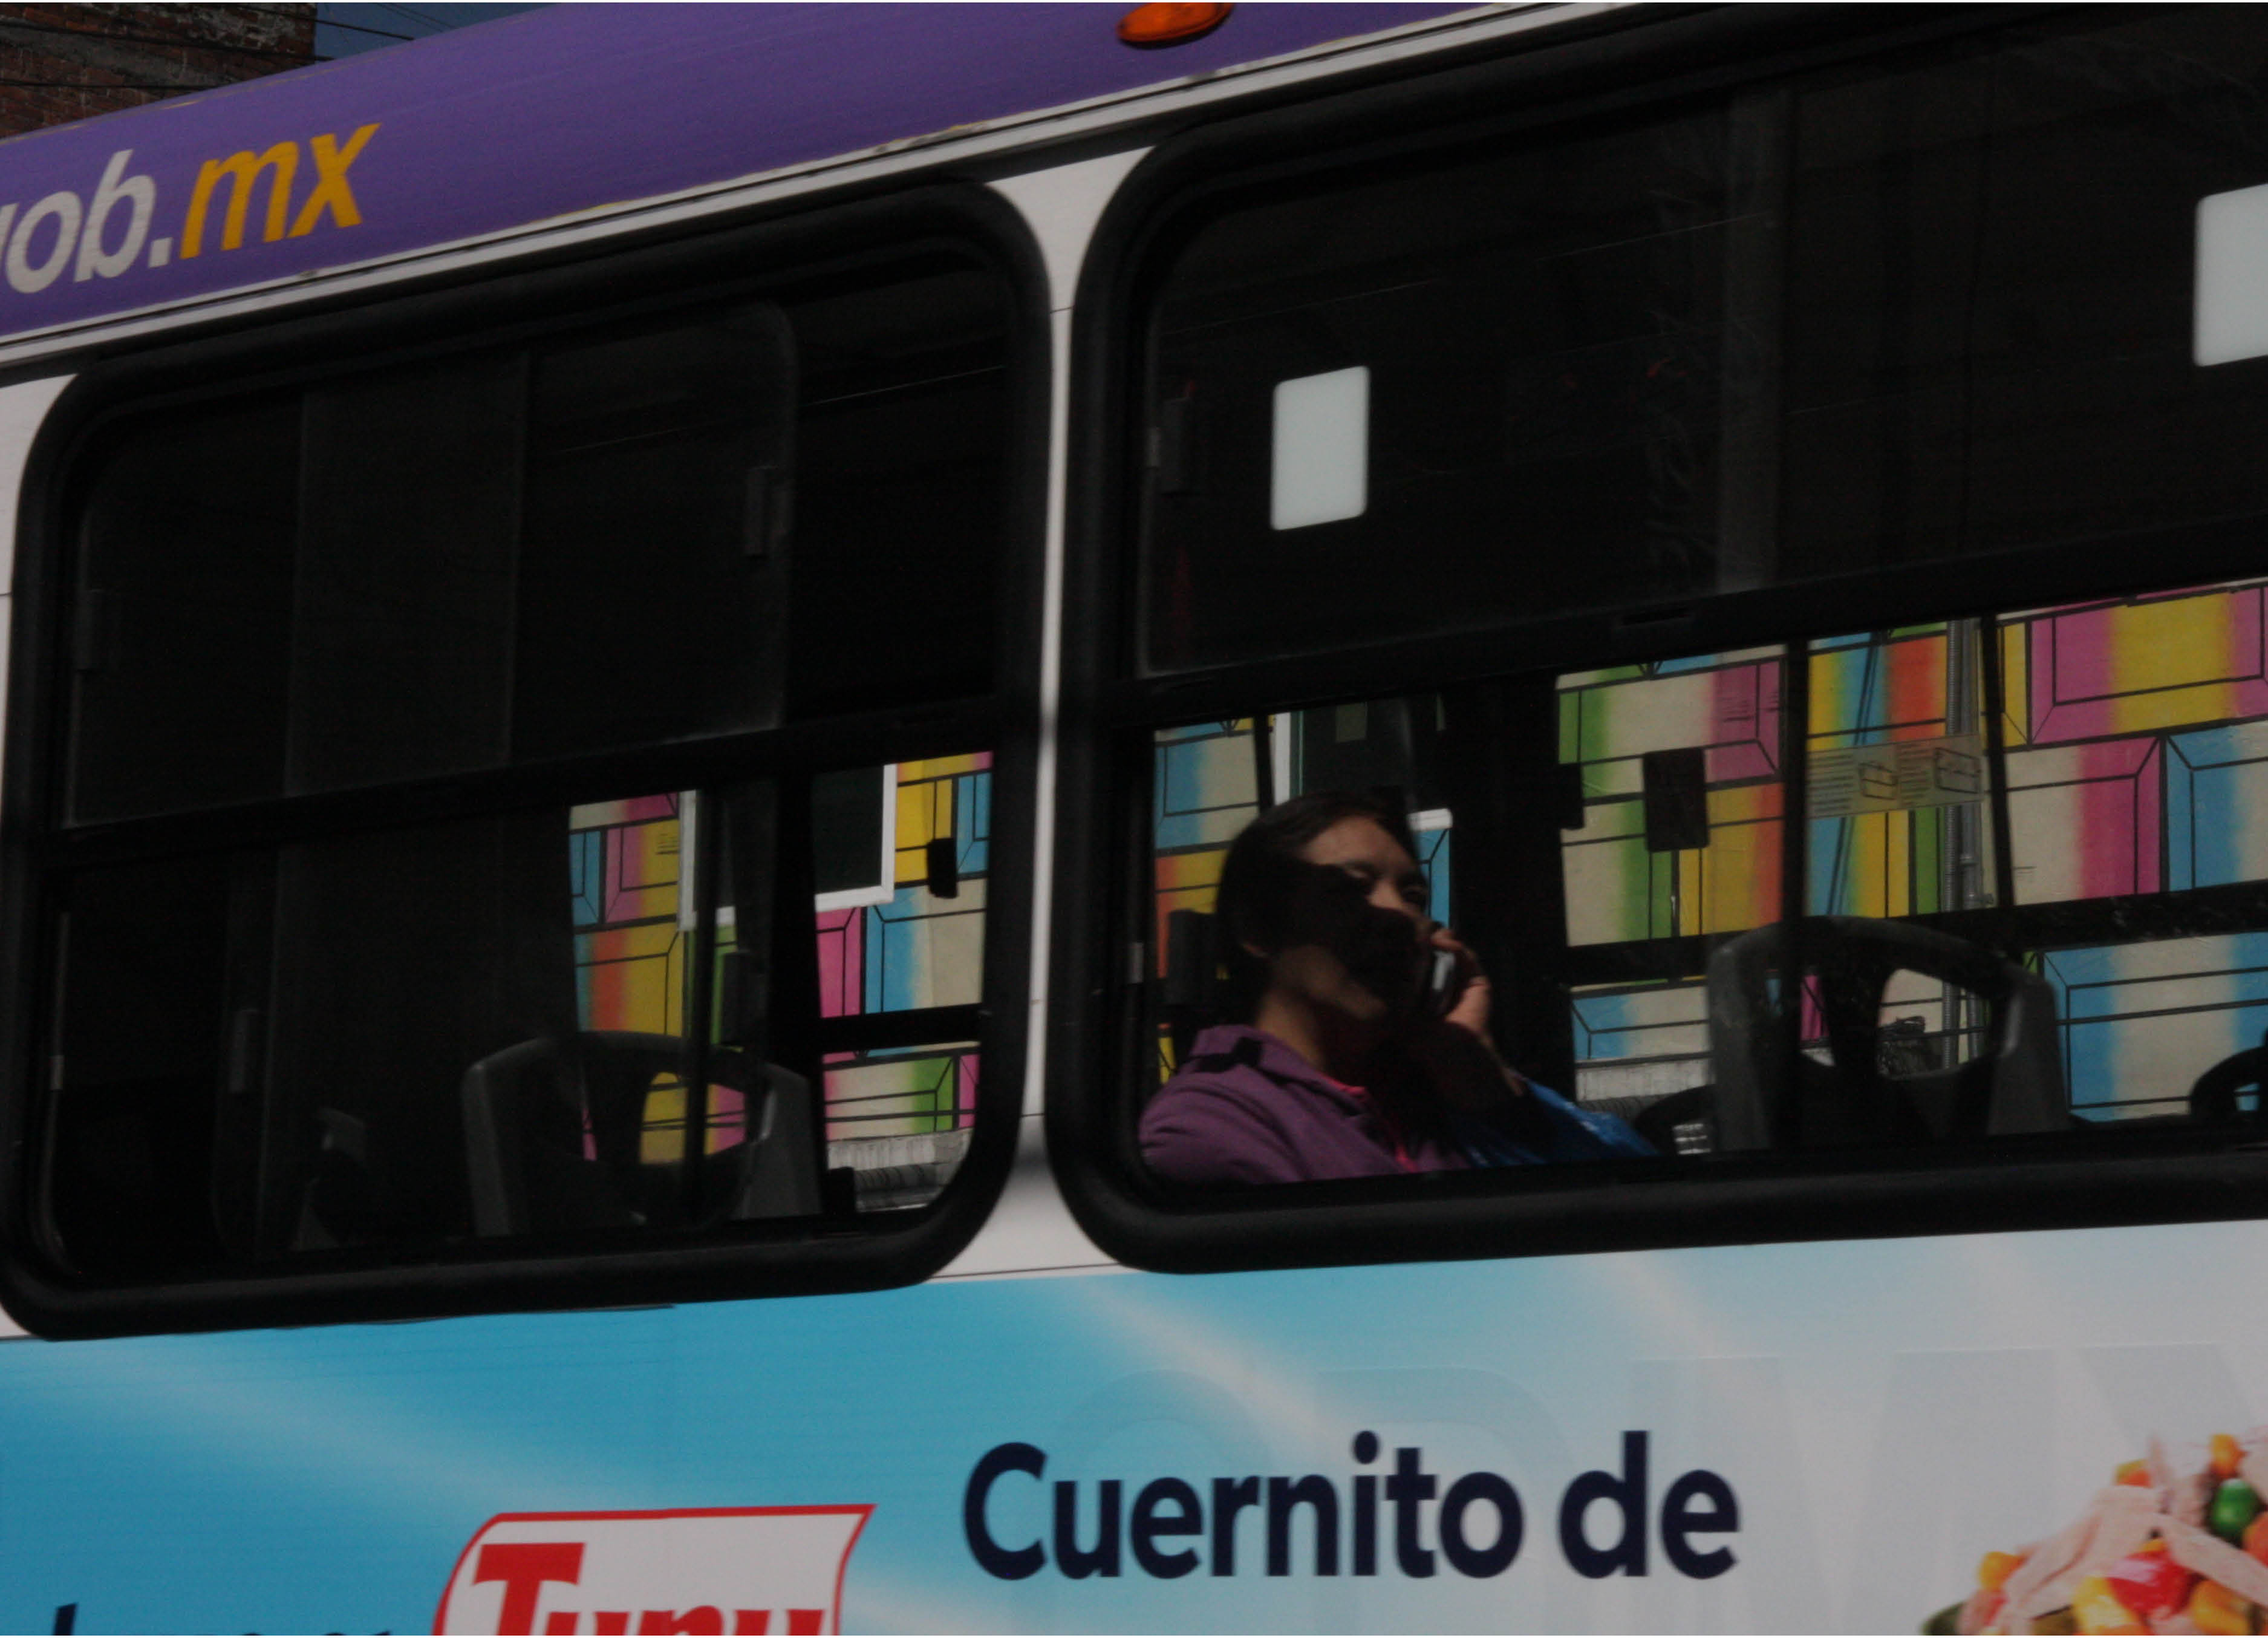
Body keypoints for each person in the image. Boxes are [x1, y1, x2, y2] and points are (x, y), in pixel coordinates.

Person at [1141, 789, 1652, 1186]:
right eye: (1351, 889)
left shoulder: (1437, 1085)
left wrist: (1479, 1074)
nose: (1400, 916)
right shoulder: (1210, 1129)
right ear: (1258, 928)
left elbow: (1628, 1206)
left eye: (1413, 896)